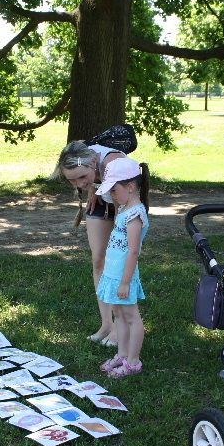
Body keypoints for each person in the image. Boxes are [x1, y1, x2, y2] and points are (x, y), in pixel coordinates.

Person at [56, 140, 129, 348]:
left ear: (93, 163)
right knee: (98, 260)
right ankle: (106, 324)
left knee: (116, 264)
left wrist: (120, 238)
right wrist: (91, 188)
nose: (78, 184)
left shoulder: (113, 165)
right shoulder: (85, 159)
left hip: (124, 205)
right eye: (72, 180)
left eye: (82, 177)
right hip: (100, 199)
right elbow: (86, 178)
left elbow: (124, 209)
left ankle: (119, 328)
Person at [94, 157, 150, 379]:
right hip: (114, 272)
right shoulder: (125, 208)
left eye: (114, 190)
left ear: (131, 186)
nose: (112, 195)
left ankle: (133, 361)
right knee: (118, 314)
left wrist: (126, 281)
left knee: (131, 317)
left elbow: (133, 251)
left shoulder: (135, 214)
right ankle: (123, 354)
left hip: (123, 276)